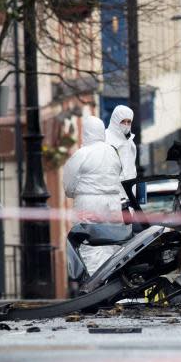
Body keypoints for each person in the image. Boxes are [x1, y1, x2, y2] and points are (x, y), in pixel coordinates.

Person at [63, 116, 123, 275]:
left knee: (90, 246)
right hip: (113, 204)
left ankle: (96, 285)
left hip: (89, 203)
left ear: (85, 132)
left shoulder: (81, 154)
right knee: (114, 246)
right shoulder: (112, 152)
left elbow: (68, 188)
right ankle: (115, 282)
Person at [105, 105, 137, 200]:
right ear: (115, 120)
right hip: (113, 195)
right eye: (123, 121)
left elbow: (131, 171)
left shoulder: (130, 143)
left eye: (129, 122)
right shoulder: (106, 138)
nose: (126, 125)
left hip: (129, 195)